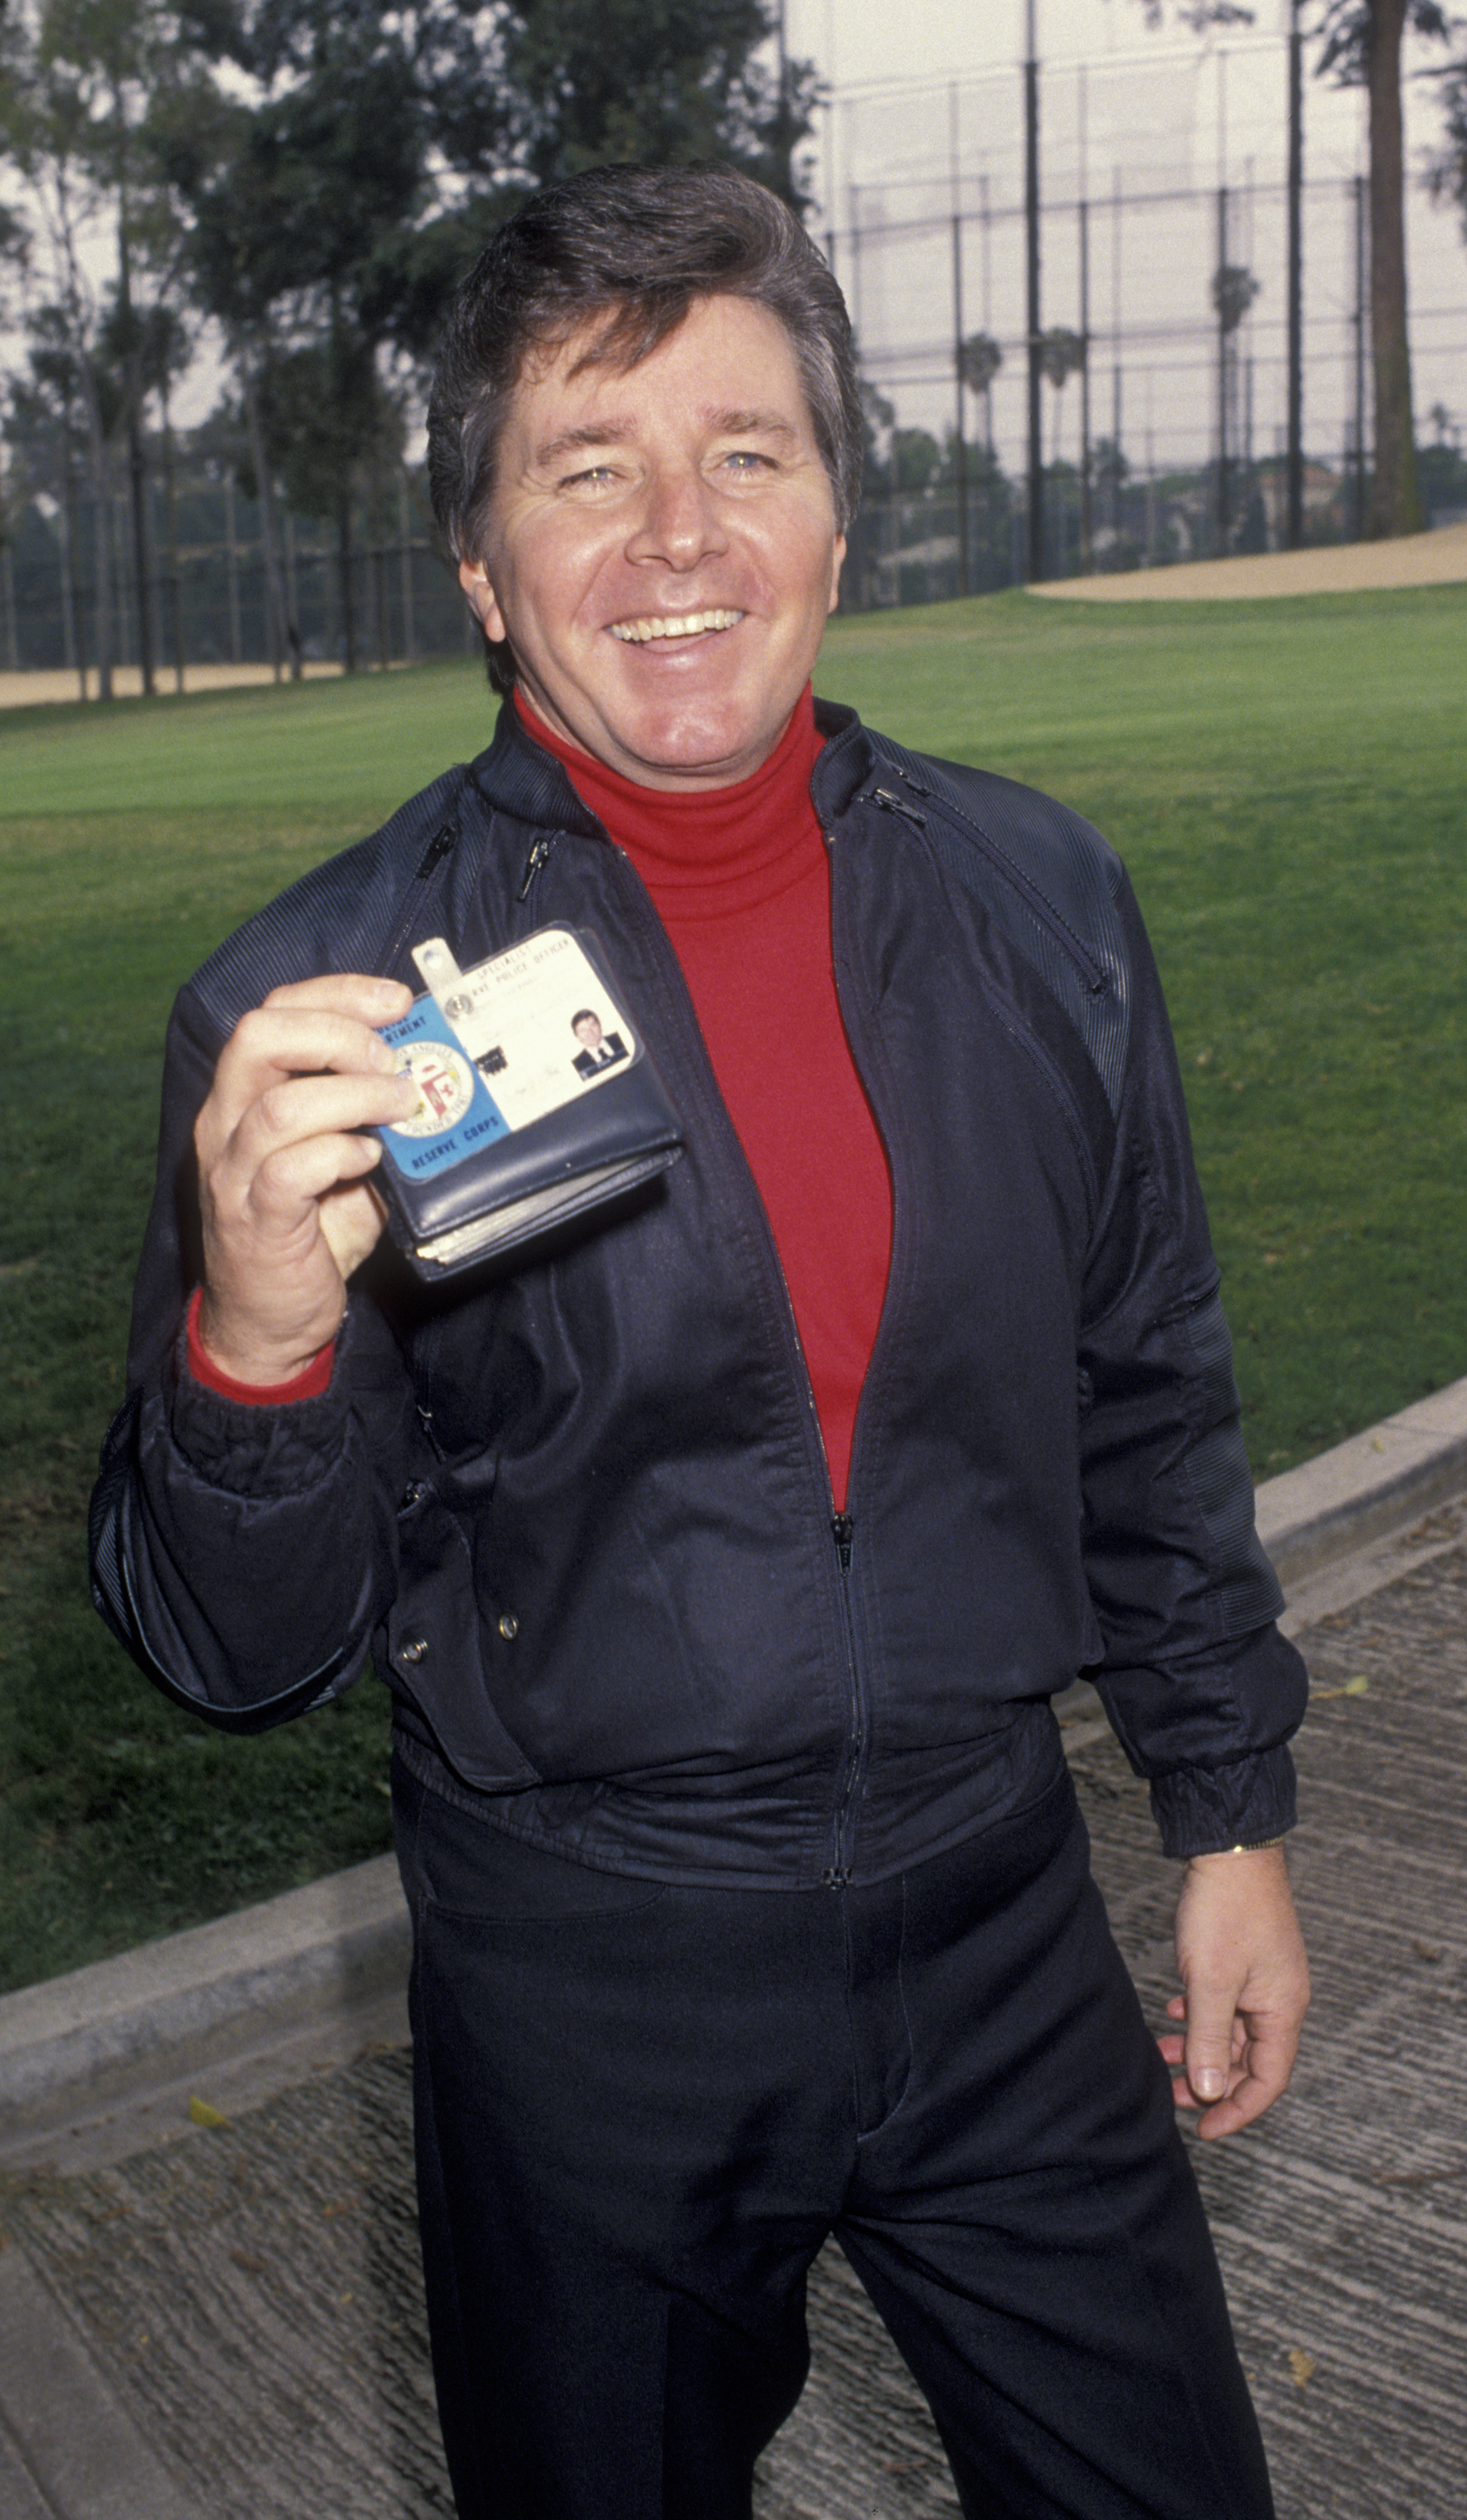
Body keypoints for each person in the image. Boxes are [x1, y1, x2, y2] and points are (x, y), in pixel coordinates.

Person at [91, 163, 1310, 2520]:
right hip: (590, 1991)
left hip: (997, 1921)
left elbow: (1144, 1379)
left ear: (839, 520)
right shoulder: (317, 1010)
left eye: (744, 453)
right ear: (480, 569)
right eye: (587, 467)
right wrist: (254, 1333)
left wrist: (1229, 1810)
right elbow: (237, 1654)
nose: (676, 533)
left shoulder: (1035, 897)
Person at [570, 1006, 628, 1076]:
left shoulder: (622, 1038)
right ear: (577, 1036)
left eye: (592, 1025)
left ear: (599, 1025)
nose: (590, 1032)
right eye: (583, 1030)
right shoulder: (578, 1065)